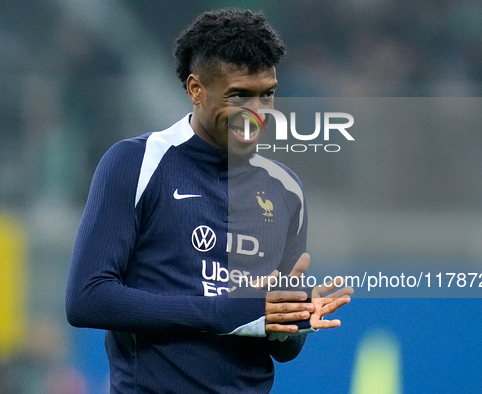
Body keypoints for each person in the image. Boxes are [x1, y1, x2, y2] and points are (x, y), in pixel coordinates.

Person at [66, 8, 353, 393]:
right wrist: (228, 312)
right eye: (239, 96)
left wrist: (291, 315)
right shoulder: (136, 163)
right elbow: (87, 299)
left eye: (266, 94)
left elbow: (280, 346)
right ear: (196, 89)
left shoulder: (285, 189)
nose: (256, 113)